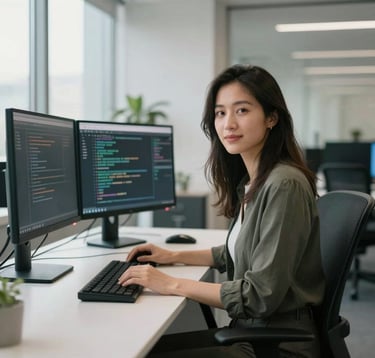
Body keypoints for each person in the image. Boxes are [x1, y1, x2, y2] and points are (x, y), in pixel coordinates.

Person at [118, 64, 325, 357]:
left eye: (241, 110)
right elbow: (237, 251)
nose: (228, 124)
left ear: (271, 117)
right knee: (139, 348)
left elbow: (258, 296)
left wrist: (171, 283)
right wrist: (172, 256)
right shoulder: (253, 182)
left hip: (276, 345)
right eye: (220, 113)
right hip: (254, 331)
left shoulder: (284, 184)